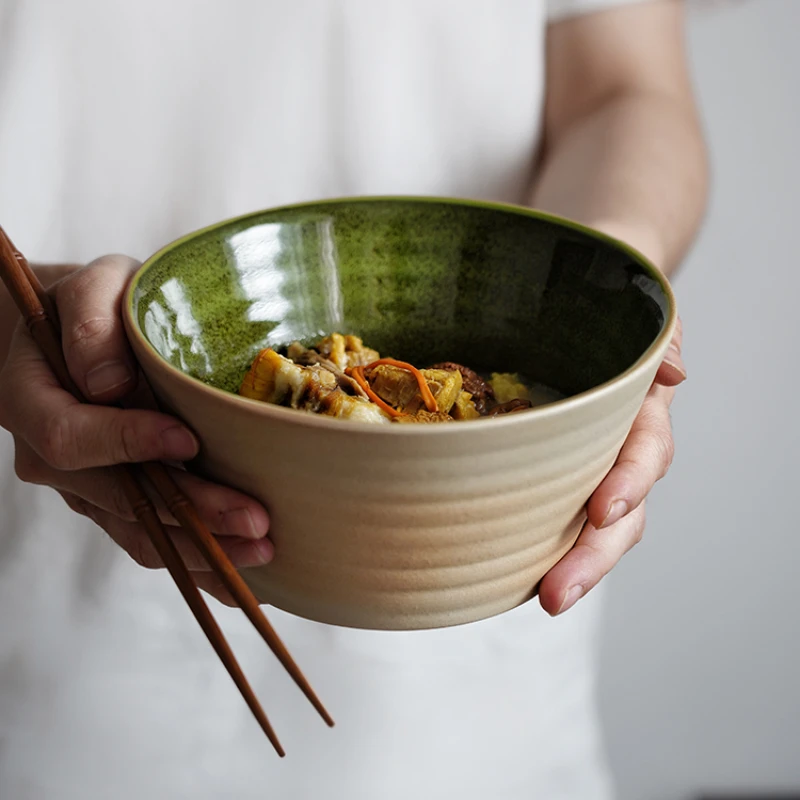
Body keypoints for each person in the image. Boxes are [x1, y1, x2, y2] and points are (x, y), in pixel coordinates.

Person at [0, 1, 707, 797]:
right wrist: (13, 326)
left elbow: (621, 91)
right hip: (51, 628)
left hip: (483, 588)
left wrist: (595, 294)